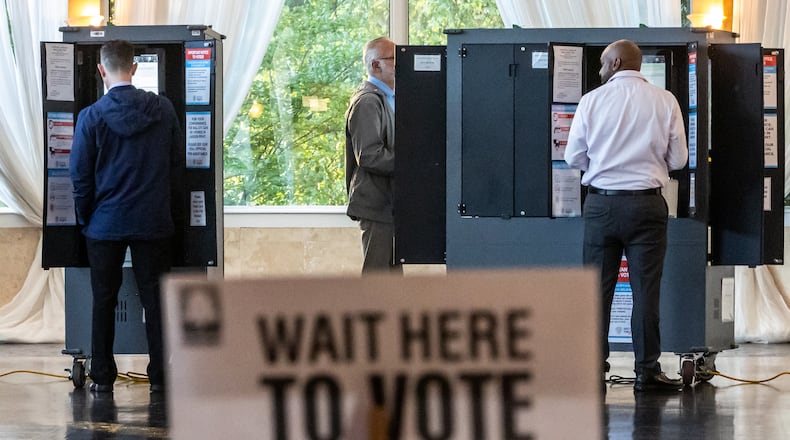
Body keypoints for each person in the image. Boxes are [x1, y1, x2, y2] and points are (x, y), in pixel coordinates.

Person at [564, 39, 688, 392]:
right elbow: (678, 161)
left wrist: (602, 167)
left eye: (603, 64)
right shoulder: (665, 101)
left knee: (596, 290)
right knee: (645, 292)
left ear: (617, 63)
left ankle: (592, 369)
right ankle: (646, 371)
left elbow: (574, 157)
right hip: (647, 206)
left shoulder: (592, 101)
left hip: (601, 206)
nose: (600, 70)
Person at [70, 40, 184, 394]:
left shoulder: (91, 117)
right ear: (133, 68)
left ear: (101, 70)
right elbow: (177, 169)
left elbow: (80, 176)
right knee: (156, 299)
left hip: (104, 224)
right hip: (153, 222)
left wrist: (86, 219)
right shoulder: (163, 111)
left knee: (103, 298)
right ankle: (160, 376)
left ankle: (102, 375)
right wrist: (171, 215)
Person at [344, 37, 402, 274]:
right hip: (376, 204)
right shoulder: (368, 101)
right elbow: (369, 155)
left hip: (388, 204)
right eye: (395, 60)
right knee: (377, 278)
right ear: (375, 65)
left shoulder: (387, 99)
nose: (401, 66)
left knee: (392, 276)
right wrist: (410, 163)